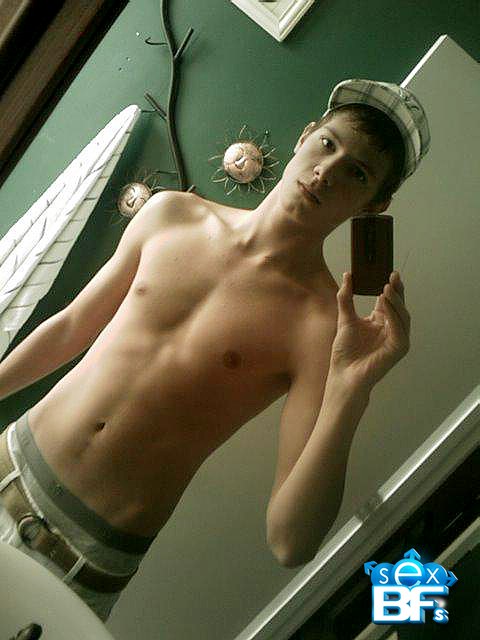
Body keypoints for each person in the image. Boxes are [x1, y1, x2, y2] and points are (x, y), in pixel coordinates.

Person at [0, 79, 430, 622]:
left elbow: (290, 541)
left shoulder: (321, 327)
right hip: (7, 460)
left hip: (80, 557)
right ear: (305, 136)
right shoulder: (171, 214)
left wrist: (353, 389)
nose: (328, 171)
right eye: (328, 144)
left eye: (358, 173)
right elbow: (70, 328)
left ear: (375, 205)